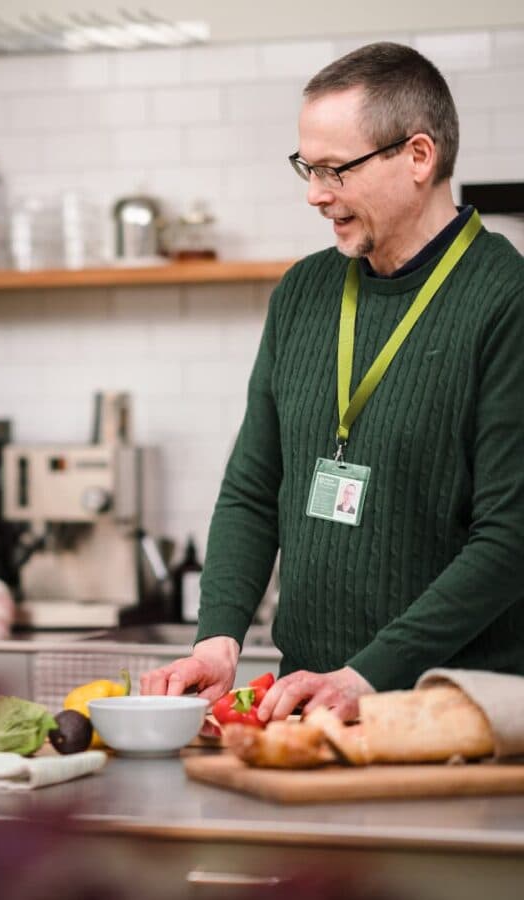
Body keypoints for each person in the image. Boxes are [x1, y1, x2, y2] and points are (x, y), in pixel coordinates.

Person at [141, 43, 524, 722]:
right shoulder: (303, 292)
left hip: (447, 717)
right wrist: (218, 640)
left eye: (334, 169)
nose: (315, 193)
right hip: (307, 708)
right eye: (307, 168)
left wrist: (366, 675)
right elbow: (254, 489)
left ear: (418, 157)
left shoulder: (506, 299)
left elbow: (509, 537)